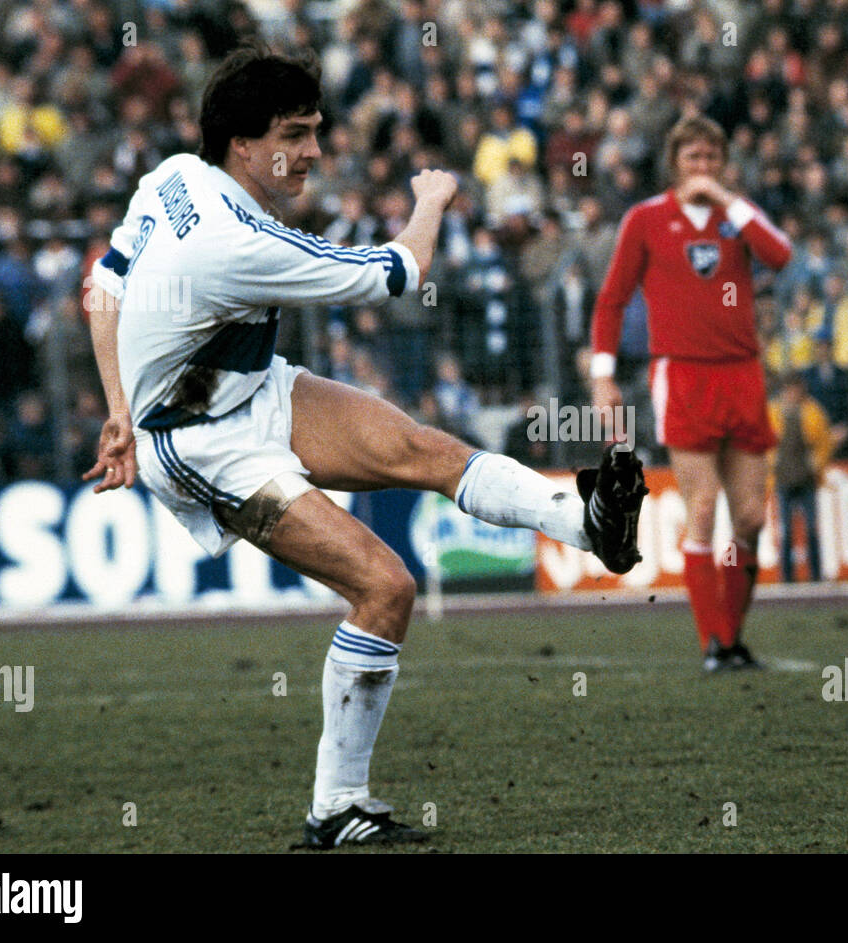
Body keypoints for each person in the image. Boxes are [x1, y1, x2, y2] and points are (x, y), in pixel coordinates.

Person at [82, 46, 646, 849]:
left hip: (243, 386)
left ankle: (587, 521)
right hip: (202, 444)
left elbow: (104, 281)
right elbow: (399, 270)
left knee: (422, 448)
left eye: (316, 130)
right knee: (386, 587)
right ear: (243, 142)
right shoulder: (236, 241)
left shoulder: (174, 175)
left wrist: (114, 409)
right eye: (295, 133)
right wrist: (432, 197)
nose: (314, 150)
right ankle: (337, 808)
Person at [590, 114, 792, 672]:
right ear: (674, 163)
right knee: (702, 506)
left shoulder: (737, 216)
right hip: (682, 374)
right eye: (691, 159)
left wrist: (728, 200)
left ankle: (733, 636)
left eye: (710, 159)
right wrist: (603, 374)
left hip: (743, 372)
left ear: (722, 164)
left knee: (750, 516)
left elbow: (780, 256)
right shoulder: (648, 219)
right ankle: (715, 644)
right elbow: (612, 298)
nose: (701, 168)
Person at [770, 372, 838, 582]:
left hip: (807, 479)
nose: (793, 393)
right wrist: (772, 463)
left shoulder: (812, 411)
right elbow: (763, 441)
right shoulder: (773, 412)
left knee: (811, 529)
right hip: (783, 479)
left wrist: (815, 464)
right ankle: (787, 577)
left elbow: (825, 442)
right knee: (786, 531)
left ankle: (815, 575)